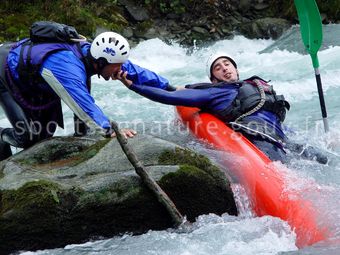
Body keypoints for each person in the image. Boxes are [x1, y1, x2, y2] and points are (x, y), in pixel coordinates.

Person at [115, 53, 328, 164]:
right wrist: (133, 86)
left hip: (285, 140)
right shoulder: (214, 93)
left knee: (327, 159)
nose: (224, 68)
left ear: (235, 67)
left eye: (227, 63)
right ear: (213, 78)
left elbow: (272, 119)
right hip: (264, 146)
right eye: (218, 67)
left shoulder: (252, 85)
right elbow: (168, 95)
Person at [0, 27, 171, 161]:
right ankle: (1, 136)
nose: (120, 70)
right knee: (29, 136)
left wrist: (170, 87)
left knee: (45, 134)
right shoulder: (67, 66)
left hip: (36, 78)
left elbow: (135, 70)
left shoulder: (97, 55)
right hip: (5, 71)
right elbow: (81, 103)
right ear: (102, 62)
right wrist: (108, 130)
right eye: (117, 66)